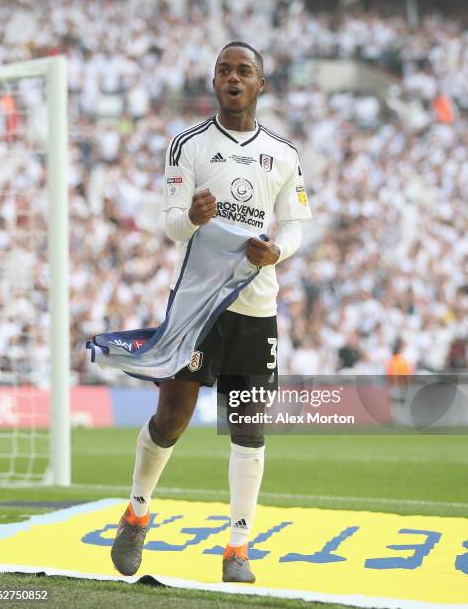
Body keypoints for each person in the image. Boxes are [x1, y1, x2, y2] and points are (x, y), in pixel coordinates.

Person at [110, 41, 312, 584]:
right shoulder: (188, 145)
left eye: (244, 70)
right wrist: (193, 218)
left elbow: (294, 225)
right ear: (214, 81)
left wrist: (278, 252)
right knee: (172, 419)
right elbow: (170, 224)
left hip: (256, 307)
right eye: (224, 69)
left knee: (248, 428)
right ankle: (137, 511)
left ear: (260, 84)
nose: (233, 77)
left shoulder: (285, 153)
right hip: (199, 305)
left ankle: (238, 548)